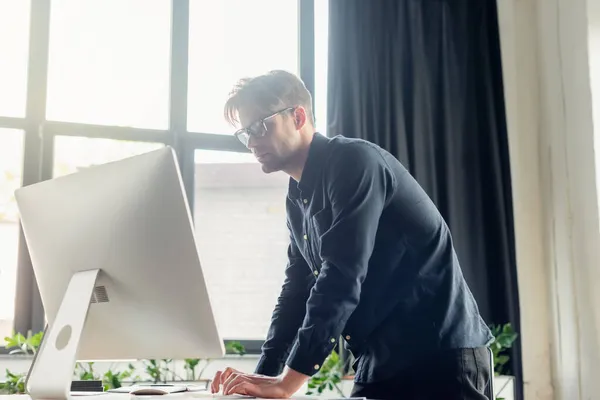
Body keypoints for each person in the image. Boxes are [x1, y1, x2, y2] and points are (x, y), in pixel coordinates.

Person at [210, 70, 494, 400]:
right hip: (380, 364)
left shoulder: (353, 162)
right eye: (245, 134)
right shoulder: (297, 196)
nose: (252, 142)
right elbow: (296, 292)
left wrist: (288, 383)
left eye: (260, 126)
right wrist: (263, 377)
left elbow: (342, 274)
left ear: (298, 116)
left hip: (439, 358)